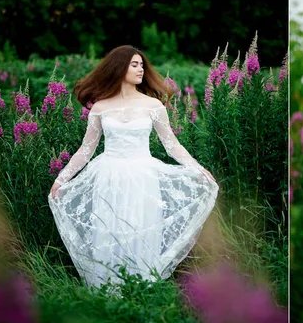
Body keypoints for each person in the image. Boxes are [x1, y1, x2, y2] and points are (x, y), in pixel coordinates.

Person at [48, 45, 218, 291]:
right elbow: (86, 150)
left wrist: (199, 169)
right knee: (109, 231)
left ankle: (142, 291)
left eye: (142, 65)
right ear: (119, 68)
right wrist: (61, 179)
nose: (141, 69)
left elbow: (173, 146)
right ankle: (107, 292)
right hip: (108, 176)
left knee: (140, 230)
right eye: (134, 65)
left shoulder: (153, 106)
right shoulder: (100, 108)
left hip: (143, 176)